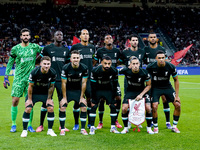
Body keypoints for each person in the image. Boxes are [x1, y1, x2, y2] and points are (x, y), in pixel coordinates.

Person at [3, 28, 43, 133]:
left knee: (30, 102)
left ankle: (29, 125)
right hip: (18, 79)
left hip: (30, 80)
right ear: (21, 37)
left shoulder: (34, 47)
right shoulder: (15, 49)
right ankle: (13, 124)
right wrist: (6, 76)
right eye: (23, 35)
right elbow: (10, 62)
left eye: (27, 35)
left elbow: (45, 52)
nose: (25, 37)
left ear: (30, 37)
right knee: (15, 101)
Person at [35, 30, 70, 133]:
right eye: (57, 35)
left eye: (61, 35)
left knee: (62, 103)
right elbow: (38, 60)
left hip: (61, 80)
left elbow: (68, 64)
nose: (59, 36)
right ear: (54, 37)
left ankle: (61, 126)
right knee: (45, 102)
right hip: (48, 80)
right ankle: (41, 125)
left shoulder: (66, 50)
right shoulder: (47, 48)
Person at [21, 56, 57, 137]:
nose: (46, 66)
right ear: (40, 64)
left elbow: (51, 86)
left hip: (45, 93)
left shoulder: (53, 73)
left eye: (48, 64)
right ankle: (24, 130)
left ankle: (50, 130)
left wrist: (49, 99)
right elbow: (30, 86)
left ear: (50, 64)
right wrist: (29, 99)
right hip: (34, 93)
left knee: (50, 108)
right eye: (44, 64)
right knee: (28, 108)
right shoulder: (34, 72)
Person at [146, 51, 181, 133]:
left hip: (167, 87)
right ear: (156, 59)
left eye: (163, 58)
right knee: (154, 106)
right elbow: (147, 81)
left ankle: (174, 126)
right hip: (155, 87)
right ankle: (155, 127)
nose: (161, 60)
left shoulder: (171, 66)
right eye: (159, 58)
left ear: (165, 58)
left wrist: (177, 96)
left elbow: (176, 80)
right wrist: (149, 94)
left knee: (177, 104)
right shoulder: (150, 67)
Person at [93, 34, 122, 129]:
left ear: (113, 40)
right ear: (104, 41)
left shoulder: (117, 51)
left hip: (113, 79)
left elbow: (119, 61)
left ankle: (116, 120)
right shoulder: (100, 51)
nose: (109, 39)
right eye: (106, 38)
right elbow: (95, 62)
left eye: (110, 38)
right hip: (102, 79)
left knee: (118, 98)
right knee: (101, 99)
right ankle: (100, 122)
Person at [144, 32, 172, 129]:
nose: (152, 39)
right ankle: (152, 121)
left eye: (154, 37)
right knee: (152, 102)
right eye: (150, 37)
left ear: (157, 39)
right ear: (148, 39)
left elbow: (167, 61)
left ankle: (168, 122)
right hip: (151, 80)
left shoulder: (162, 49)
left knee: (165, 99)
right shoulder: (145, 50)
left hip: (162, 79)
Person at [119, 56, 154, 134]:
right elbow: (117, 71)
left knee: (148, 108)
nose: (135, 65)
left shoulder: (144, 73)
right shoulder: (126, 71)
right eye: (133, 64)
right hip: (130, 92)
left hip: (141, 92)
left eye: (137, 63)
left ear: (139, 64)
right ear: (130, 65)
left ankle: (149, 128)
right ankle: (126, 128)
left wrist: (141, 95)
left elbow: (149, 85)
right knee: (124, 108)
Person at [70, 29, 95, 130]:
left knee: (89, 101)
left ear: (89, 36)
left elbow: (94, 60)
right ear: (80, 36)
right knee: (77, 101)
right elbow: (71, 60)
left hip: (88, 78)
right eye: (83, 34)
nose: (85, 36)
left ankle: (89, 122)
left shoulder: (92, 47)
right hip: (77, 79)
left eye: (87, 34)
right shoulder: (75, 47)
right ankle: (76, 123)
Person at [60, 50, 89, 135]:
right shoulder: (66, 68)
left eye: (77, 58)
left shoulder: (84, 68)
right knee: (62, 106)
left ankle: (83, 129)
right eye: (74, 58)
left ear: (80, 58)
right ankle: (62, 129)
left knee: (83, 107)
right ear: (71, 59)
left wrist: (82, 97)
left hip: (78, 90)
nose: (75, 59)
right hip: (68, 91)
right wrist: (64, 98)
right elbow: (63, 83)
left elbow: (84, 83)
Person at [89, 56, 120, 135]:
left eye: (109, 64)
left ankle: (113, 127)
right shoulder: (95, 71)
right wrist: (93, 99)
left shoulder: (114, 71)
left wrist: (113, 97)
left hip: (108, 89)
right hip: (98, 89)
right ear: (101, 63)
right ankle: (92, 127)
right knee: (94, 106)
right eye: (105, 63)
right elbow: (92, 86)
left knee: (113, 106)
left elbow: (115, 85)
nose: (107, 65)